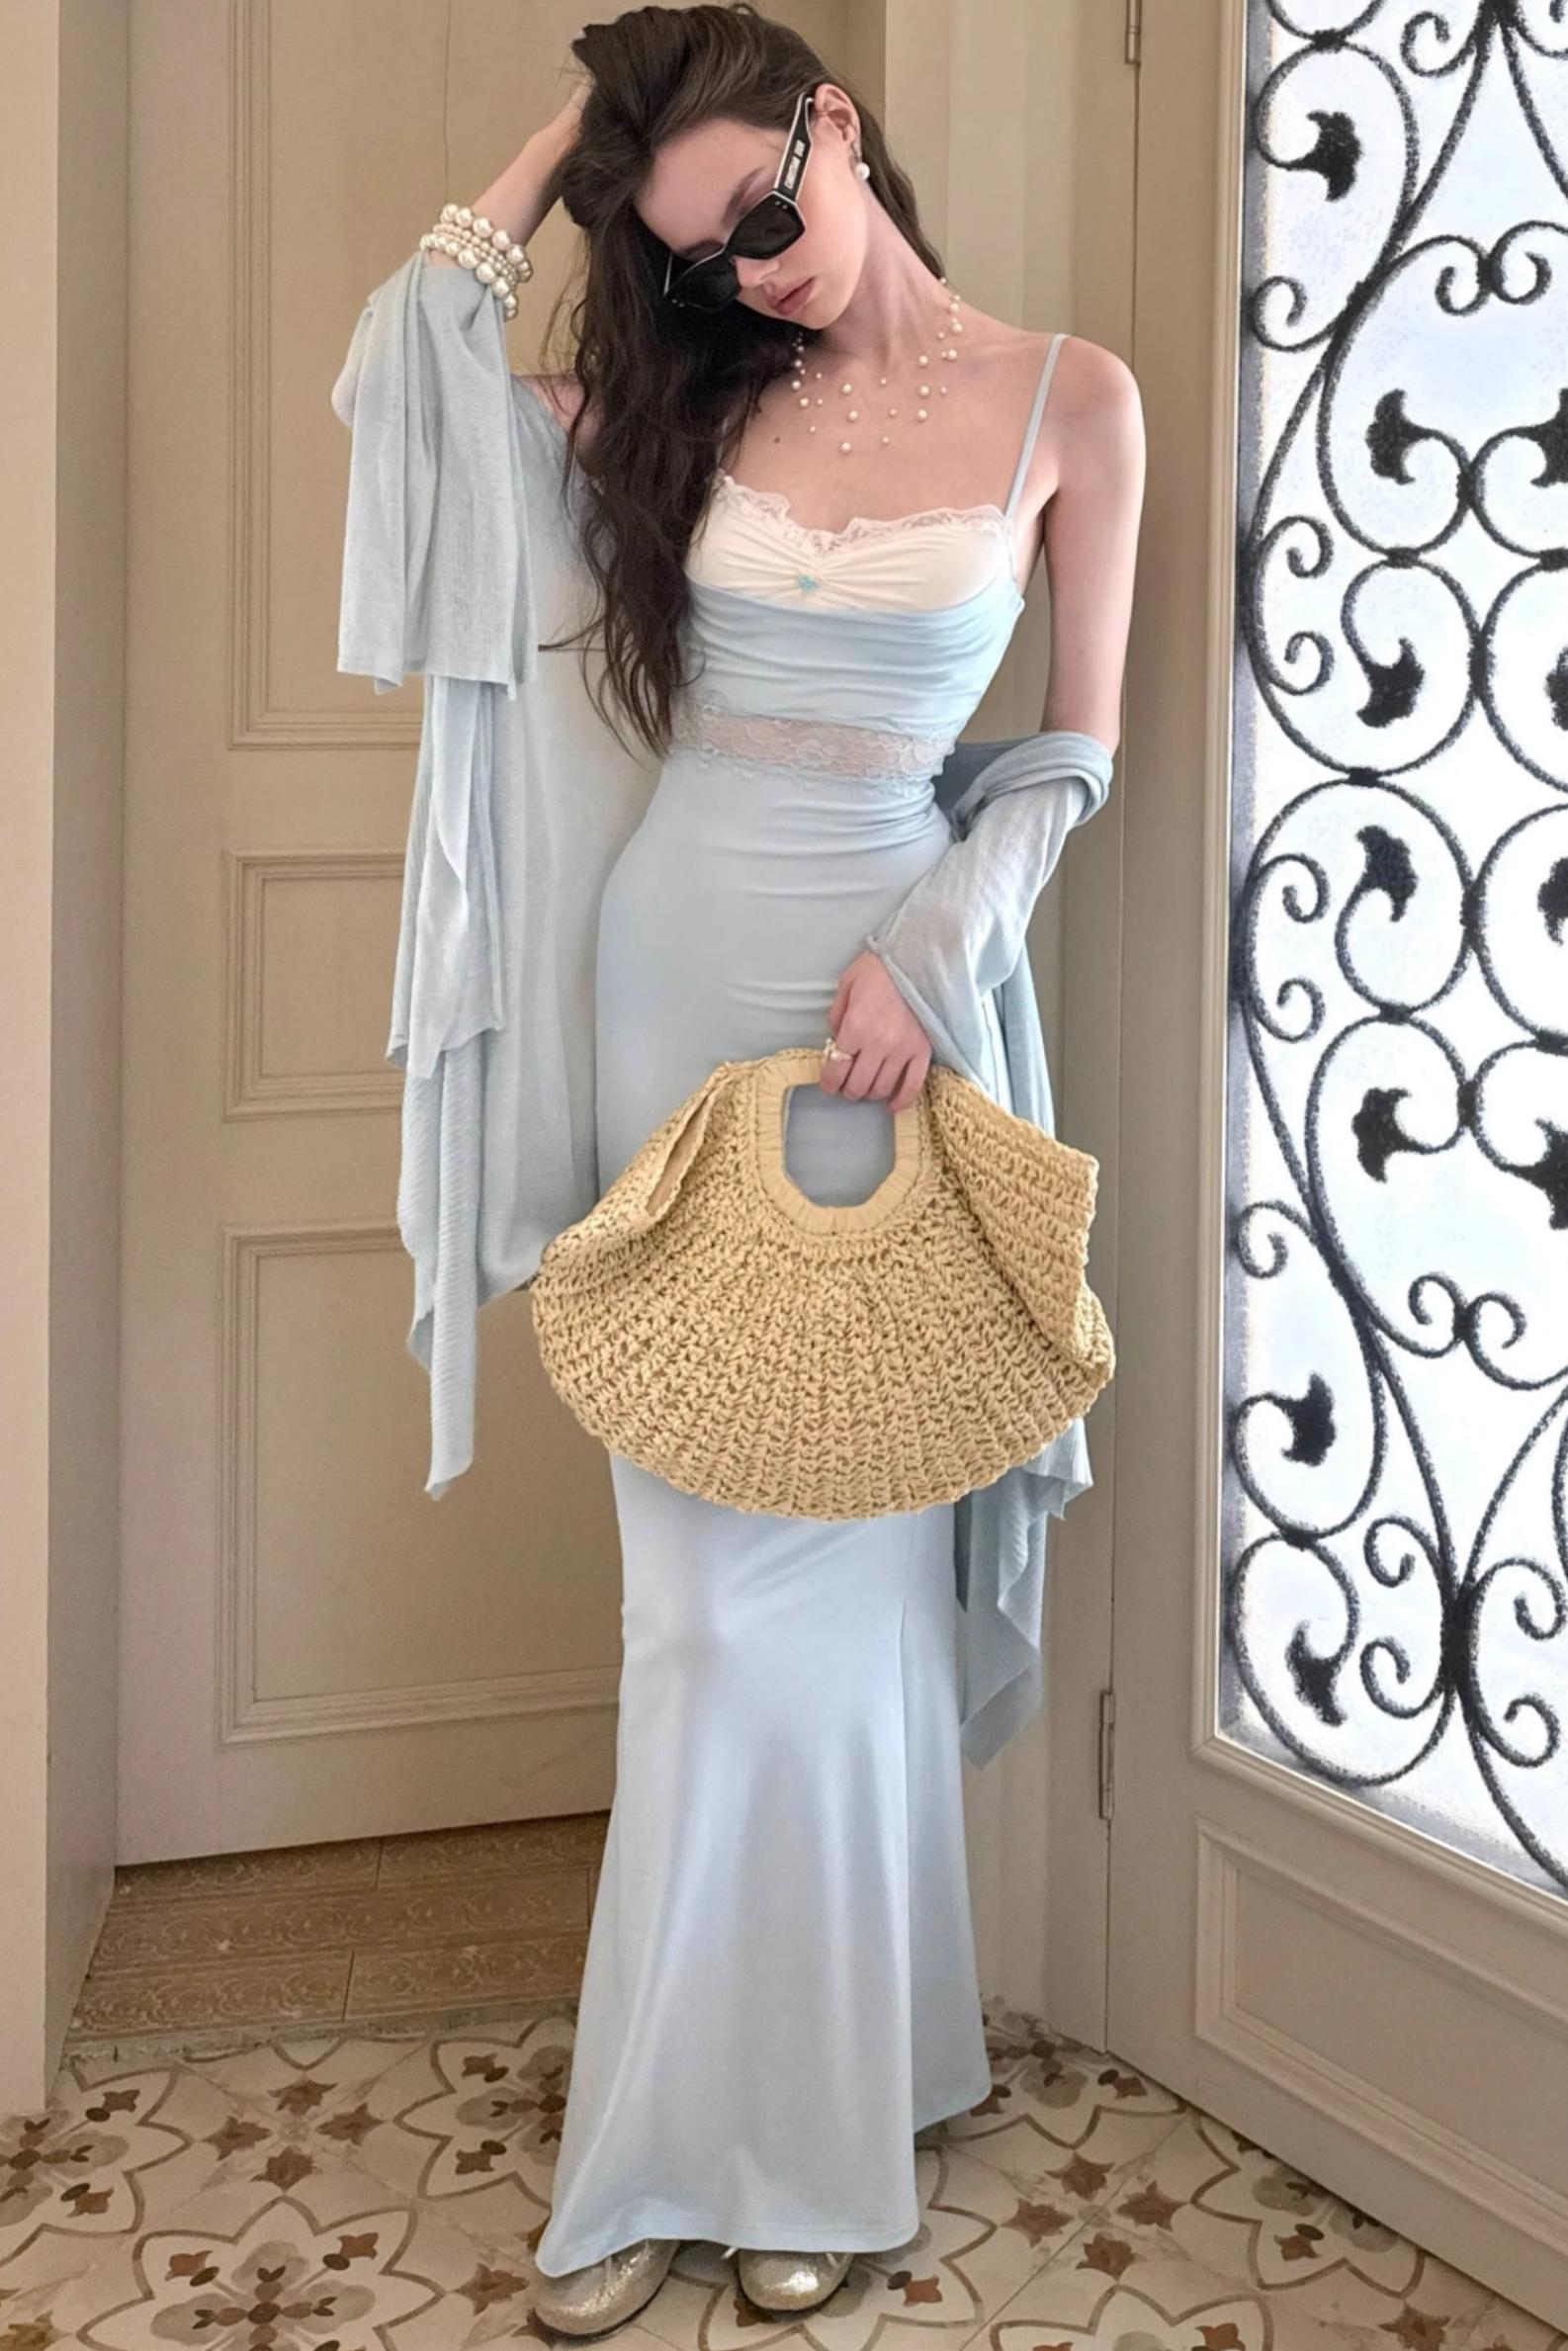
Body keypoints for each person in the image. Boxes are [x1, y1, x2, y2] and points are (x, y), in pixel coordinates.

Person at [331, 4, 1143, 2335]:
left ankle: (825, 2118)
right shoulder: (688, 400)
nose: (752, 273)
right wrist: (579, 140)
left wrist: (938, 935)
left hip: (886, 1006)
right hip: (668, 990)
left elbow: (1075, 742)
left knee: (846, 1572)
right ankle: (688, 2137)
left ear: (837, 124)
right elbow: (409, 389)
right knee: (696, 1604)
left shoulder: (1075, 397)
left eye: (770, 217)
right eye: (705, 254)